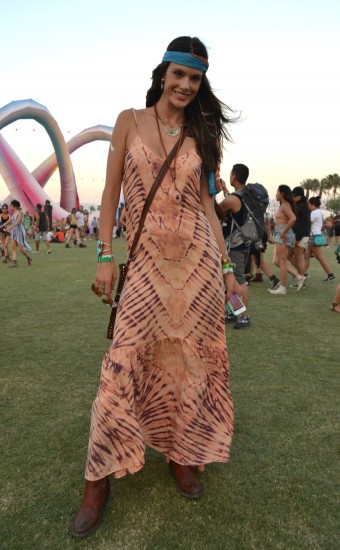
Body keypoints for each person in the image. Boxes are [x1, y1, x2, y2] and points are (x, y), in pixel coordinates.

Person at [71, 35, 237, 539]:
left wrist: (228, 268)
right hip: (144, 265)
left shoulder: (202, 132)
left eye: (196, 78)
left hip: (197, 267)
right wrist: (104, 254)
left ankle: (183, 456)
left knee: (190, 363)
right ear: (164, 72)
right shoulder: (129, 121)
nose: (186, 85)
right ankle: (97, 480)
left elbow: (208, 208)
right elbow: (109, 194)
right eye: (180, 74)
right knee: (124, 358)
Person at [218, 164, 251, 329]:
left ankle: (244, 316)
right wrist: (224, 190)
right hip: (243, 243)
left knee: (237, 280)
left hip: (235, 245)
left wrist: (215, 192)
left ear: (234, 176)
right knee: (233, 279)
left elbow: (218, 210)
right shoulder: (244, 196)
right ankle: (234, 312)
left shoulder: (233, 199)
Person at [268, 185, 296, 295]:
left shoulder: (285, 205)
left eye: (277, 192)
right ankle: (282, 286)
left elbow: (293, 218)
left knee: (282, 262)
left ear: (282, 194)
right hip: (281, 234)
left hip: (283, 234)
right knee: (281, 261)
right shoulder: (284, 205)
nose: (275, 194)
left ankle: (283, 288)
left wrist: (283, 232)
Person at [304, 196, 335, 282]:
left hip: (313, 236)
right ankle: (302, 274)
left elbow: (307, 224)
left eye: (308, 204)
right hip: (314, 236)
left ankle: (330, 274)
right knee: (306, 256)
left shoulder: (314, 213)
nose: (308, 206)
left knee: (319, 257)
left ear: (312, 204)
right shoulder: (318, 212)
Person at [287, 186, 311, 291]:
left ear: (298, 196)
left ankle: (301, 278)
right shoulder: (304, 206)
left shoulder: (299, 208)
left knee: (298, 258)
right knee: (291, 256)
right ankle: (302, 275)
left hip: (300, 236)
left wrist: (297, 238)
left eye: (293, 196)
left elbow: (300, 225)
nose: (292, 198)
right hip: (303, 235)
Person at [3, 200, 32, 267]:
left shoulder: (20, 213)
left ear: (14, 206)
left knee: (20, 248)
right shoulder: (15, 212)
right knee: (13, 247)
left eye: (11, 205)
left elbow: (17, 222)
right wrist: (3, 225)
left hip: (19, 231)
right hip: (14, 230)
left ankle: (28, 258)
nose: (10, 206)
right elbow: (10, 220)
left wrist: (10, 227)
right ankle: (14, 262)